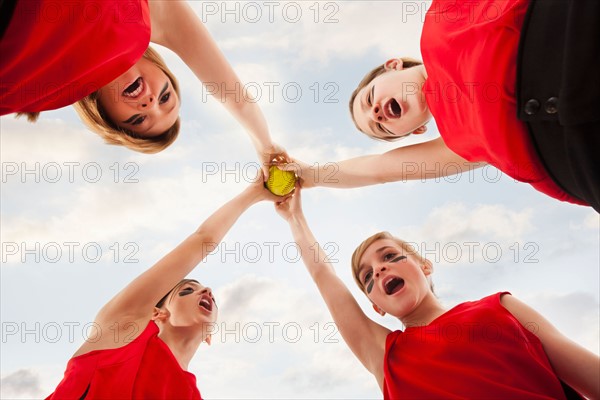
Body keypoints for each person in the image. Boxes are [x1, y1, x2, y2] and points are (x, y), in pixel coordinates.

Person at [274, 185, 600, 399]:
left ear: (424, 266)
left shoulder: (501, 306)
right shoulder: (387, 357)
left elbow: (590, 376)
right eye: (367, 277)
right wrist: (294, 216)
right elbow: (322, 273)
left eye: (388, 256)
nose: (379, 269)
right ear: (376, 307)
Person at [285, 0, 599, 212]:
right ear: (416, 130)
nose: (377, 113)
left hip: (571, 30)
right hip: (579, 154)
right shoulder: (453, 147)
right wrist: (308, 175)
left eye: (370, 100)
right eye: (380, 127)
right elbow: (376, 171)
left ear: (393, 64)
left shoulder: (439, 20)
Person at [46, 174, 282, 398]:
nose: (207, 291)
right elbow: (203, 240)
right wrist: (254, 192)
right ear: (156, 313)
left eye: (198, 291)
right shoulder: (123, 329)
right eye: (186, 290)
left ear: (209, 335)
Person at [1, 0, 285, 167]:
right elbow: (234, 96)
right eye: (165, 97)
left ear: (108, 118)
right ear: (161, 71)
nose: (150, 103)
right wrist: (266, 147)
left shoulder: (27, 95)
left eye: (138, 119)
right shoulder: (157, 17)